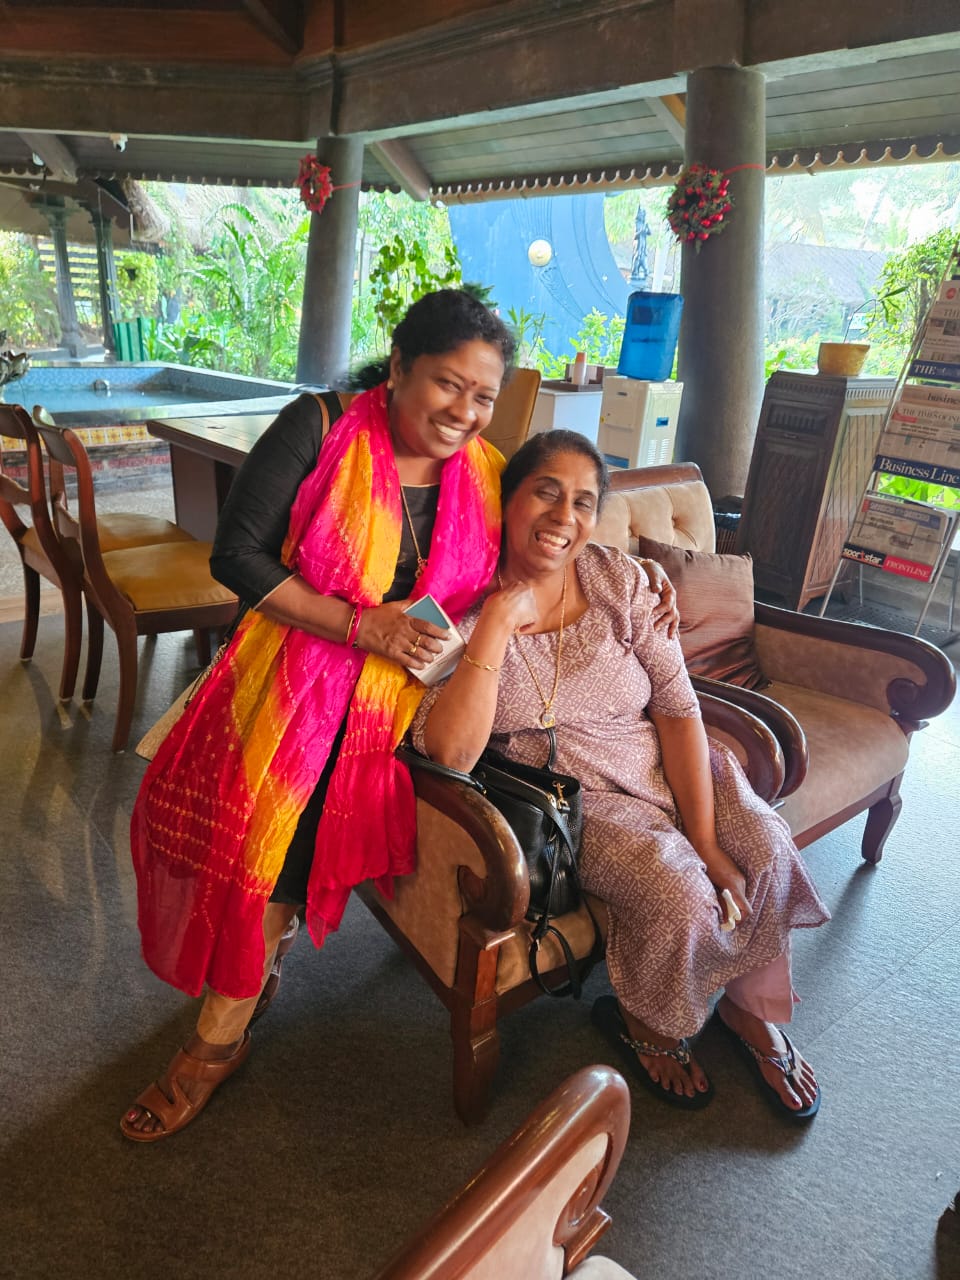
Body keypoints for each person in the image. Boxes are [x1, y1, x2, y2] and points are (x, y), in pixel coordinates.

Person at [121, 289, 515, 1141]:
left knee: (294, 846)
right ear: (399, 366)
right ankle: (219, 1036)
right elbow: (237, 555)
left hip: (411, 697)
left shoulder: (487, 472)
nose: (465, 412)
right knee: (267, 842)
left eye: (484, 396)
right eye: (448, 384)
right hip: (295, 678)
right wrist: (361, 626)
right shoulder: (321, 426)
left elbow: (523, 570)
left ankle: (237, 1002)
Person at [413, 429, 831, 1120]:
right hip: (575, 800)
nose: (563, 516)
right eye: (546, 492)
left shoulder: (620, 580)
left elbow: (677, 708)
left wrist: (705, 837)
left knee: (766, 848)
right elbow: (450, 754)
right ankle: (650, 1023)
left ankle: (749, 1009)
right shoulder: (455, 602)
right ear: (507, 500)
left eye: (583, 501)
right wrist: (497, 622)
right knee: (678, 891)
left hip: (664, 760)